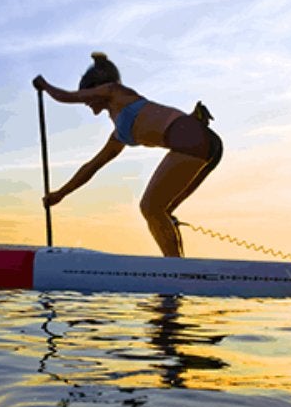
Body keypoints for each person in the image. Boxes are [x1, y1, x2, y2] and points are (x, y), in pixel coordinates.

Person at [33, 51, 222, 257]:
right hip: (206, 145)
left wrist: (44, 85)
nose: (86, 101)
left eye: (87, 95)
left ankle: (175, 268)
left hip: (191, 139)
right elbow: (91, 167)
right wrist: (60, 194)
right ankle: (179, 269)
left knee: (151, 208)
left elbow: (66, 97)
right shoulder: (119, 135)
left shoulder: (114, 91)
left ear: (96, 89)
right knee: (161, 211)